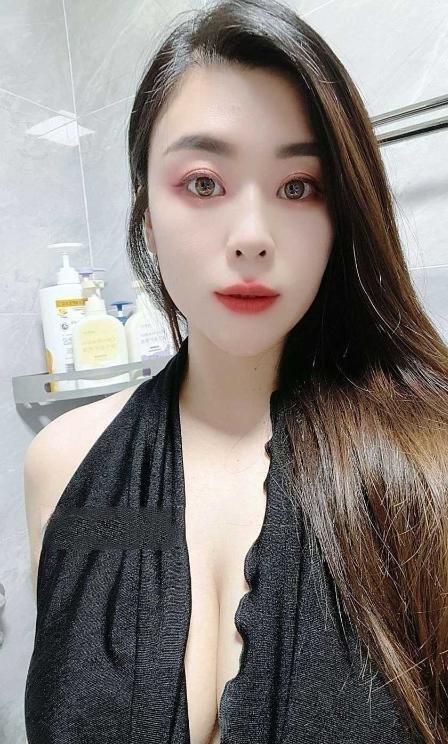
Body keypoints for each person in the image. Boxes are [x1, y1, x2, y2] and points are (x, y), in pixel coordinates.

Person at [24, 1, 448, 742]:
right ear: (147, 215)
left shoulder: (430, 462)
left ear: (340, 216)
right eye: (203, 183)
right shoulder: (63, 466)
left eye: (298, 186)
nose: (252, 236)